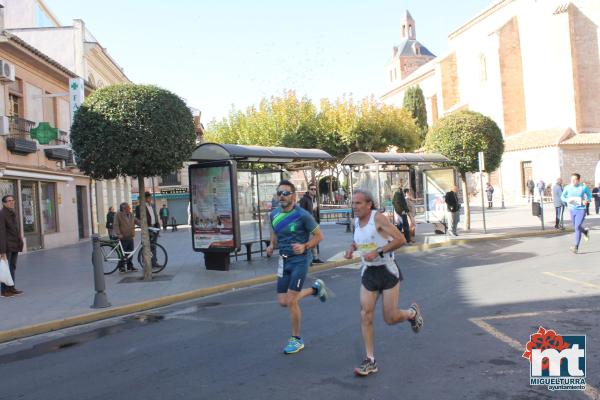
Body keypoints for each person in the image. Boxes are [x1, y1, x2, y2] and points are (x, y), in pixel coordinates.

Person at [344, 189, 422, 376]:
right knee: (366, 314)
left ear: (369, 204)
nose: (355, 206)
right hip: (368, 272)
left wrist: (378, 252)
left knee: (390, 318)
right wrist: (351, 248)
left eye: (358, 203)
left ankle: (412, 313)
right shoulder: (356, 220)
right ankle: (370, 360)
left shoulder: (377, 218)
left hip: (387, 270)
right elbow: (360, 241)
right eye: (353, 203)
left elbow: (401, 239)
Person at [266, 180, 328, 354]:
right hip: (283, 260)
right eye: (279, 193)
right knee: (282, 301)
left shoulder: (302, 215)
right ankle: (316, 289)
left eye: (285, 193)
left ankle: (296, 339)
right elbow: (273, 230)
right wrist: (271, 244)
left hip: (300, 260)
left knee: (292, 301)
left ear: (294, 196)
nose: (282, 196)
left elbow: (319, 236)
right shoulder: (274, 214)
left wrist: (305, 246)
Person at [561, 173, 592, 254]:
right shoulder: (567, 187)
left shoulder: (583, 187)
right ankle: (585, 232)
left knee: (577, 226)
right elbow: (562, 197)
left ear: (578, 180)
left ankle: (576, 247)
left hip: (581, 209)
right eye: (572, 179)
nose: (573, 181)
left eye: (574, 180)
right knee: (576, 227)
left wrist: (587, 200)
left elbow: (589, 195)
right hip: (572, 209)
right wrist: (567, 200)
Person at [0, 195, 24, 297]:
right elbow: (1, 233)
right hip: (7, 246)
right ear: (4, 203)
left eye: (12, 200)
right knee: (5, 268)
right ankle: (4, 291)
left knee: (12, 267)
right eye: (9, 201)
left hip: (14, 245)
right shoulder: (2, 214)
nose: (11, 202)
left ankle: (11, 288)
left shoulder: (12, 213)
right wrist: (2, 251)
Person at [298, 183, 324, 264]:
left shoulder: (315, 199)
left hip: (315, 223)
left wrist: (318, 221)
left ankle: (315, 258)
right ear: (308, 190)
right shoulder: (304, 199)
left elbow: (316, 212)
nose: (313, 191)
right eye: (312, 189)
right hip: (308, 224)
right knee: (309, 241)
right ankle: (309, 259)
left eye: (315, 189)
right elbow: (301, 212)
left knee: (314, 241)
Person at [113, 202, 137, 272]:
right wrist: (118, 233)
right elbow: (116, 225)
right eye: (128, 208)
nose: (129, 209)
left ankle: (130, 266)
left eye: (129, 208)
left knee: (130, 252)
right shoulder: (118, 215)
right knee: (123, 253)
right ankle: (121, 267)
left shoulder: (131, 214)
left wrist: (143, 224)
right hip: (123, 237)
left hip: (130, 236)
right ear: (123, 209)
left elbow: (136, 221)